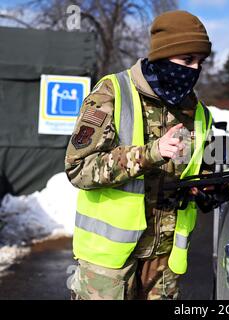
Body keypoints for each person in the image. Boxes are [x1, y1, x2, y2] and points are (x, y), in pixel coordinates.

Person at [65, 10, 213, 300]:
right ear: (163, 54)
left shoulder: (198, 112)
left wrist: (207, 184)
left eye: (200, 62)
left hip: (164, 262)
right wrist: (150, 153)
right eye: (187, 60)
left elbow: (200, 167)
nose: (194, 69)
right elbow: (79, 168)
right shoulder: (112, 92)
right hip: (110, 265)